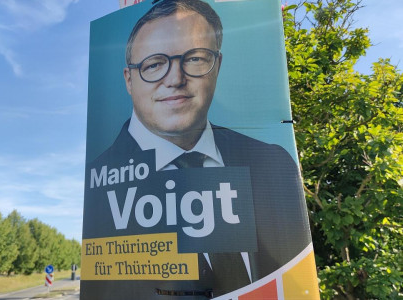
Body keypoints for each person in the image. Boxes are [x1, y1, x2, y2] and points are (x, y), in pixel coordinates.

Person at [81, 0, 311, 298]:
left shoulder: (273, 163)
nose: (175, 79)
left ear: (218, 66)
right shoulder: (100, 184)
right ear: (129, 80)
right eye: (154, 65)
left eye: (195, 59)